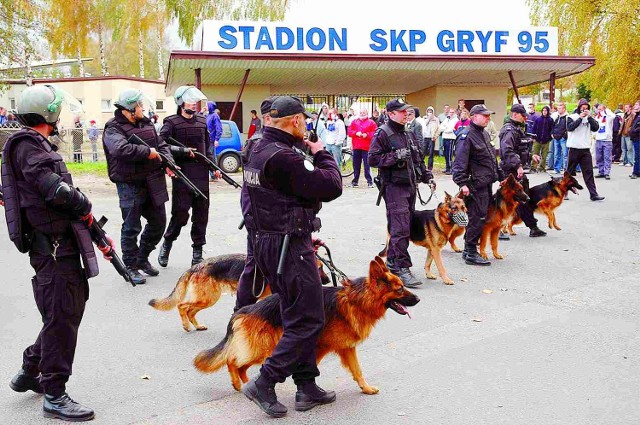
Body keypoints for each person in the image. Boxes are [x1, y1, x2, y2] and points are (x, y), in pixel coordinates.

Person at [2, 84, 114, 421]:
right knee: (62, 319)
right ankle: (54, 393)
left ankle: (30, 370)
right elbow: (52, 189)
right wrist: (82, 201)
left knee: (63, 313)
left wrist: (97, 232)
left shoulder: (32, 144)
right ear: (49, 113)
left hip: (58, 245)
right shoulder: (26, 145)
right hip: (50, 248)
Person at [240, 96, 342, 417]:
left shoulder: (256, 147)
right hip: (287, 245)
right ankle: (265, 381)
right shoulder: (284, 156)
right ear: (296, 121)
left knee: (296, 313)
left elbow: (259, 198)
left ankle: (306, 385)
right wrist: (322, 153)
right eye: (304, 121)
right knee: (310, 317)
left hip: (268, 241)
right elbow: (331, 186)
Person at [103, 88, 174, 285]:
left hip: (153, 181)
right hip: (129, 184)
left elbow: (161, 145)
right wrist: (146, 152)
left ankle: (142, 258)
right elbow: (120, 149)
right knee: (131, 227)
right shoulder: (113, 128)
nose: (143, 108)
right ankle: (130, 266)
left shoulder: (147, 123)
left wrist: (168, 162)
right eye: (139, 106)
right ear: (130, 109)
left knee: (159, 222)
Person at [369, 98, 434, 288]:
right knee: (401, 229)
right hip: (394, 188)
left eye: (407, 111)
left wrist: (426, 176)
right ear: (391, 114)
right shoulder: (383, 133)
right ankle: (401, 266)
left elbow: (417, 159)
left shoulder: (409, 132)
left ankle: (393, 262)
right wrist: (395, 156)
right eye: (402, 111)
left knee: (405, 225)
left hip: (410, 186)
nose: (407, 114)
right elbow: (373, 159)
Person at [157, 86, 215, 267]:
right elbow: (161, 144)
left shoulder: (202, 121)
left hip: (201, 176)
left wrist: (214, 167)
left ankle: (197, 253)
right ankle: (167, 243)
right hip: (182, 175)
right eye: (190, 100)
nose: (194, 104)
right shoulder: (171, 122)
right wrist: (182, 151)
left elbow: (208, 147)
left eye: (195, 100)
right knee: (180, 215)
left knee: (201, 215)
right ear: (181, 103)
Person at [235, 96, 278, 311]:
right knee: (257, 267)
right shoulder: (260, 142)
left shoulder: (262, 140)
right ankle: (241, 314)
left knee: (264, 266)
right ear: (268, 118)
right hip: (260, 213)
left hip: (262, 211)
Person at [452, 104, 504, 266]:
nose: (488, 118)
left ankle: (469, 250)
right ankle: (471, 252)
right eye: (485, 116)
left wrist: (500, 175)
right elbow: (459, 162)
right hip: (474, 185)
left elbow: (490, 158)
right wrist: (462, 183)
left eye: (489, 115)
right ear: (474, 117)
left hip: (486, 183)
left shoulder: (485, 134)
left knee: (481, 217)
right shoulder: (466, 135)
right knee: (477, 217)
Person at [499, 104, 548, 236]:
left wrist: (532, 156)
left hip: (515, 170)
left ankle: (533, 227)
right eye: (523, 115)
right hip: (510, 171)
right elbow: (507, 151)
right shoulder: (509, 130)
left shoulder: (516, 129)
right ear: (515, 115)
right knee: (508, 201)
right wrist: (518, 165)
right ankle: (496, 227)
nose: (525, 118)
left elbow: (519, 150)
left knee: (523, 199)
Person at [566, 98, 604, 201]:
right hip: (574, 148)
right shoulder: (571, 117)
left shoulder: (589, 118)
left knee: (589, 173)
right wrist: (580, 118)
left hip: (585, 149)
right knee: (569, 173)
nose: (584, 110)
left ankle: (594, 194)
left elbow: (596, 128)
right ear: (579, 108)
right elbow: (570, 128)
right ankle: (564, 192)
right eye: (583, 108)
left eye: (586, 108)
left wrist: (589, 117)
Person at [347, 107, 377, 187]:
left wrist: (367, 135)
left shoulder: (371, 122)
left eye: (363, 113)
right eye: (361, 113)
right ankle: (355, 181)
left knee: (367, 165)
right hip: (356, 146)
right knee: (356, 165)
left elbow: (375, 133)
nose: (362, 114)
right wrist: (356, 133)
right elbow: (349, 132)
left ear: (367, 113)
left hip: (366, 147)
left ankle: (369, 181)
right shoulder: (354, 122)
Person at [594, 103, 615, 179]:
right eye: (598, 109)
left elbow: (613, 116)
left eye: (601, 109)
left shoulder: (608, 117)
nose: (599, 111)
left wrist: (607, 111)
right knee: (599, 157)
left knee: (607, 157)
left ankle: (607, 172)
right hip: (598, 139)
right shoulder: (597, 117)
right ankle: (601, 171)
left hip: (607, 140)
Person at [532, 106, 554, 172]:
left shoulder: (550, 120)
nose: (544, 112)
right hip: (537, 139)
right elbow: (534, 128)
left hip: (546, 140)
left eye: (546, 111)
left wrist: (550, 137)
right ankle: (533, 167)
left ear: (548, 112)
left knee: (544, 155)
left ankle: (542, 167)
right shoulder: (538, 119)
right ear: (542, 111)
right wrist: (533, 137)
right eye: (543, 110)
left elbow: (552, 129)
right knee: (535, 153)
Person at [437, 109, 459, 174]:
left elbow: (451, 129)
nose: (451, 113)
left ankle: (450, 169)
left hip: (451, 138)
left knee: (449, 154)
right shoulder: (446, 119)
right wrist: (446, 128)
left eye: (452, 112)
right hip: (445, 137)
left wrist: (445, 129)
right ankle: (447, 167)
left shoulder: (456, 120)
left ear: (454, 113)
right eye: (450, 112)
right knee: (446, 154)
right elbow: (440, 127)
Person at [551, 102, 569, 174]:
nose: (559, 110)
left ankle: (565, 170)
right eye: (558, 108)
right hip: (556, 138)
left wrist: (564, 136)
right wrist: (552, 133)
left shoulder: (567, 117)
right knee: (556, 154)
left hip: (563, 138)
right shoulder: (557, 117)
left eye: (560, 108)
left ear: (564, 108)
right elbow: (553, 126)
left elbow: (568, 128)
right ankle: (556, 169)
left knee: (565, 154)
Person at [206, 101, 222, 180]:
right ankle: (213, 174)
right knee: (210, 157)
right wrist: (201, 111)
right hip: (206, 140)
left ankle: (214, 174)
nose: (205, 106)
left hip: (211, 140)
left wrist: (217, 139)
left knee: (211, 157)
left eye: (207, 105)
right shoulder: (207, 115)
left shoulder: (215, 116)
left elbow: (218, 128)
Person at [628, 102, 640, 179]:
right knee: (637, 156)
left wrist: (634, 130)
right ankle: (637, 171)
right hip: (635, 138)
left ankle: (635, 172)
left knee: (637, 156)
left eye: (636, 105)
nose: (635, 106)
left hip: (638, 137)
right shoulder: (636, 115)